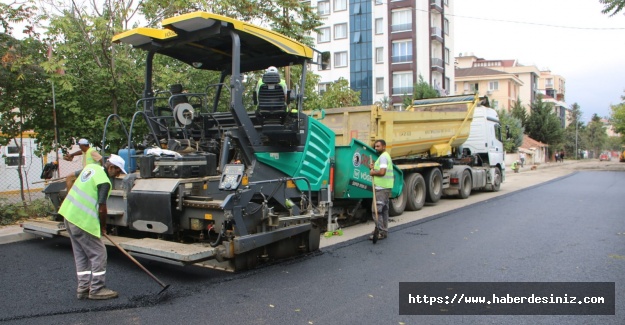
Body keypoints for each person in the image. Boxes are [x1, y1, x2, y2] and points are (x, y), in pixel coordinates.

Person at [58, 154, 127, 300]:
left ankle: (83, 288)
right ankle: (97, 289)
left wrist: (70, 194)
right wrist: (103, 226)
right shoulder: (104, 181)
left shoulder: (90, 167)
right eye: (118, 170)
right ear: (111, 167)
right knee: (99, 253)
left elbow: (70, 176)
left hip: (68, 215)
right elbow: (102, 208)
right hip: (82, 221)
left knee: (81, 254)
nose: (118, 174)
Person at [368, 139, 394, 241]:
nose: (376, 148)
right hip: (385, 187)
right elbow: (381, 169)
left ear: (384, 146)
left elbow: (382, 172)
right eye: (375, 146)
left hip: (381, 188)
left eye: (378, 146)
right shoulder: (384, 156)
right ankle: (383, 230)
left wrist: (373, 173)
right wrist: (373, 168)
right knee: (384, 210)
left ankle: (380, 231)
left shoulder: (383, 157)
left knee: (376, 211)